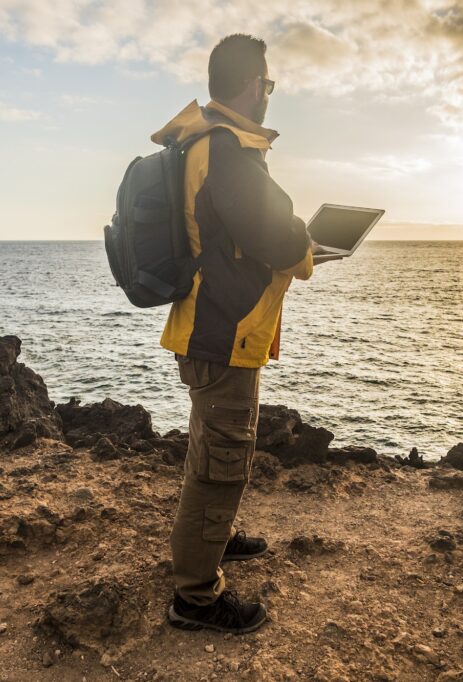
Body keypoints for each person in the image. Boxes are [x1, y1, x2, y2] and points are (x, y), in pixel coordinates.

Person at [152, 33, 338, 634]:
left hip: (206, 327)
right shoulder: (230, 149)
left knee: (211, 450)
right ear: (254, 85)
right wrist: (307, 248)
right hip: (222, 333)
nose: (270, 96)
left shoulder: (204, 142)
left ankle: (215, 541)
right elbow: (274, 237)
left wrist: (295, 243)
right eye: (270, 85)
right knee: (220, 464)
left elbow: (244, 235)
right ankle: (195, 598)